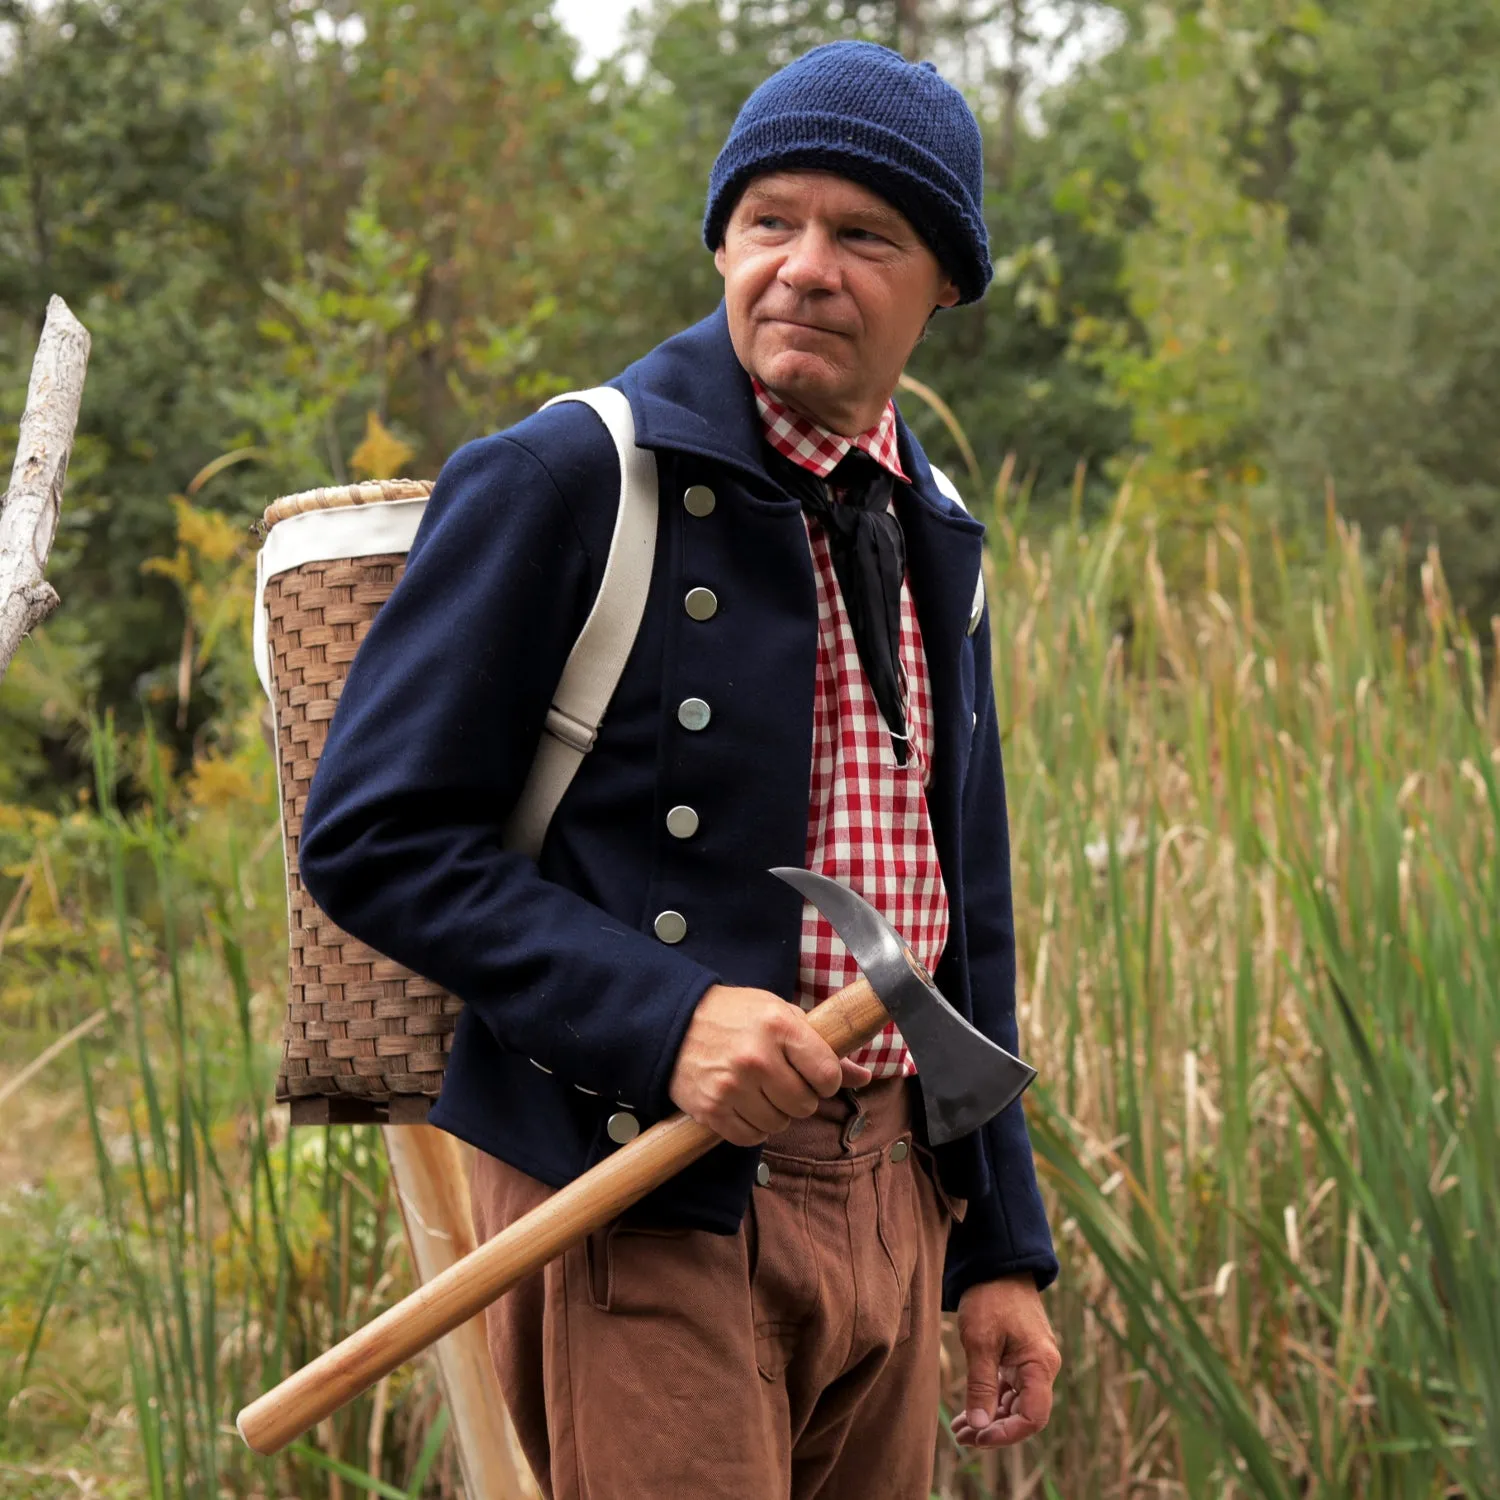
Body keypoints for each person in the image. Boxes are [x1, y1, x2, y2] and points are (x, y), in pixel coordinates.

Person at [300, 38, 1060, 1500]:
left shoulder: (937, 528)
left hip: (898, 1197)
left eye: (865, 235)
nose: (805, 267)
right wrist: (670, 1015)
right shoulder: (572, 475)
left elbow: (968, 921)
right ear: (722, 238)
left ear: (943, 285)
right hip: (642, 1193)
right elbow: (375, 834)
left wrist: (998, 1246)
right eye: (771, 221)